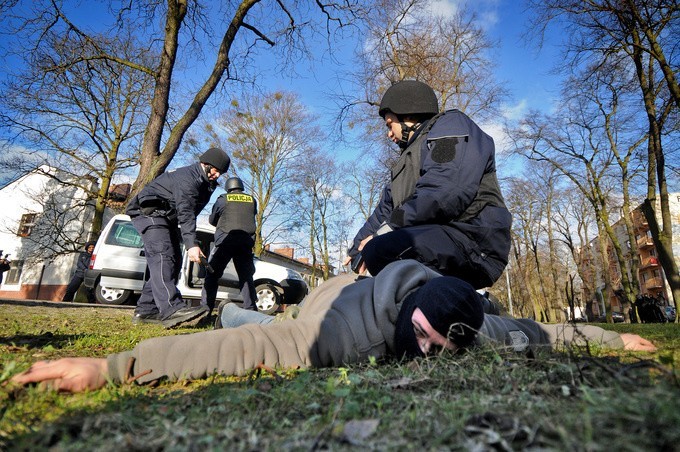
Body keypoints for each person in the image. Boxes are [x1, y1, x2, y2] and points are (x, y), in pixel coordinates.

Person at [10, 260, 655, 393]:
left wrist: (613, 340)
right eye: (422, 338)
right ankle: (232, 299)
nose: (426, 356)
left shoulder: (471, 322)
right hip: (323, 304)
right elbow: (245, 350)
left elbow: (541, 333)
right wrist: (112, 366)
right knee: (255, 318)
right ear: (407, 318)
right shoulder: (345, 336)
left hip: (377, 287)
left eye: (442, 346)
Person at [344, 80, 512, 289]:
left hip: (473, 243)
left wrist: (382, 235)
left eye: (389, 124)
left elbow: (444, 192)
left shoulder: (451, 127)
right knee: (374, 250)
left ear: (408, 114)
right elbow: (384, 211)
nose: (388, 134)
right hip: (440, 238)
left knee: (384, 248)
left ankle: (469, 304)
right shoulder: (405, 165)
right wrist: (356, 251)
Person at [125, 147, 231, 329]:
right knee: (163, 256)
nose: (216, 175)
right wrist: (191, 244)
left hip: (166, 218)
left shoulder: (204, 183)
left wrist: (191, 242)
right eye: (214, 170)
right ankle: (171, 308)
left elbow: (190, 213)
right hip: (150, 213)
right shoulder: (187, 178)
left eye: (220, 173)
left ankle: (146, 310)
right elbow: (187, 212)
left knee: (174, 260)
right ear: (205, 164)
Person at [201, 177, 258, 313]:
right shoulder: (251, 200)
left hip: (225, 241)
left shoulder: (223, 199)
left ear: (228, 187)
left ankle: (205, 310)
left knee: (212, 275)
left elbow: (212, 219)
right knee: (246, 277)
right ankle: (251, 309)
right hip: (245, 242)